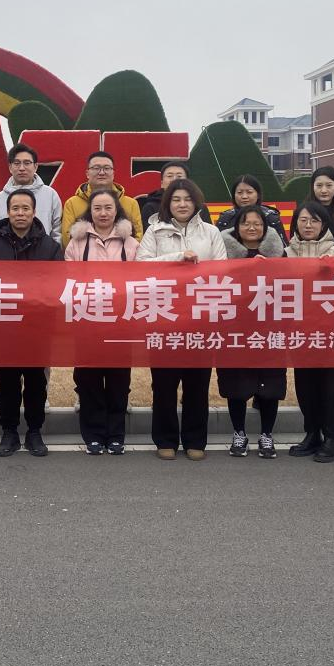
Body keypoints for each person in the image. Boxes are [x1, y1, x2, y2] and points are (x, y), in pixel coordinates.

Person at [136, 179, 226, 461]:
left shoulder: (211, 232)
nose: (182, 204)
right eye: (176, 199)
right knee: (163, 384)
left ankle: (195, 440)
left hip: (200, 317)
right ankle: (165, 439)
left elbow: (222, 270)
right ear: (168, 203)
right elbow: (141, 266)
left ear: (196, 202)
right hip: (164, 316)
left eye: (187, 199)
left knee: (197, 383)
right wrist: (178, 257)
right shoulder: (154, 231)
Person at [0, 188, 63, 457]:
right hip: (4, 324)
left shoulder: (50, 247)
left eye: (25, 208)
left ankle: (34, 431)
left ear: (34, 212)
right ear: (7, 212)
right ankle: (9, 432)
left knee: (35, 381)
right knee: (7, 381)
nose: (20, 213)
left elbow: (58, 285)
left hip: (37, 326)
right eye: (15, 209)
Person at [65, 189, 139, 455]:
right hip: (87, 323)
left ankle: (116, 435)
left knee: (119, 382)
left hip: (121, 322)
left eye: (108, 208)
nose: (103, 213)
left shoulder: (131, 244)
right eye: (97, 208)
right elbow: (68, 280)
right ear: (90, 211)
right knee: (88, 381)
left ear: (117, 210)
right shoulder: (77, 242)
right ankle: (93, 435)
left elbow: (140, 281)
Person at [218, 206, 287, 458]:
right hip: (234, 328)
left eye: (257, 223)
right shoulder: (222, 254)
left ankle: (266, 434)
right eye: (245, 223)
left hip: (270, 328)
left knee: (270, 383)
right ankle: (239, 433)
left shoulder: (280, 254)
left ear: (265, 227)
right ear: (236, 226)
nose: (252, 228)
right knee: (236, 383)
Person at [283, 201, 334, 461]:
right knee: (305, 384)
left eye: (314, 220)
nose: (308, 225)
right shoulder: (286, 254)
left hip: (329, 332)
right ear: (295, 223)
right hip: (300, 331)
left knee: (331, 385)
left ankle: (331, 437)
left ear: (324, 225)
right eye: (303, 220)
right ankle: (312, 434)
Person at [60, 151, 144, 246]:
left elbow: (138, 236)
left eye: (107, 168)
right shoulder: (72, 203)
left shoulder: (131, 203)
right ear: (87, 173)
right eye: (96, 168)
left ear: (113, 173)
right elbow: (67, 239)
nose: (102, 172)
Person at [0, 142, 63, 239]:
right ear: (10, 167)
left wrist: (51, 249)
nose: (22, 168)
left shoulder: (50, 195)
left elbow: (58, 232)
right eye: (17, 163)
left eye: (27, 163)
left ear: (35, 166)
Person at [215, 174, 289, 243]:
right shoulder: (225, 219)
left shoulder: (271, 218)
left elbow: (283, 247)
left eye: (249, 192)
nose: (244, 196)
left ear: (258, 195)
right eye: (239, 192)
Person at [137, 160, 189, 229]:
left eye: (179, 176)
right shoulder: (150, 207)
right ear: (162, 183)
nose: (174, 179)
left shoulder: (196, 206)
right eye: (169, 176)